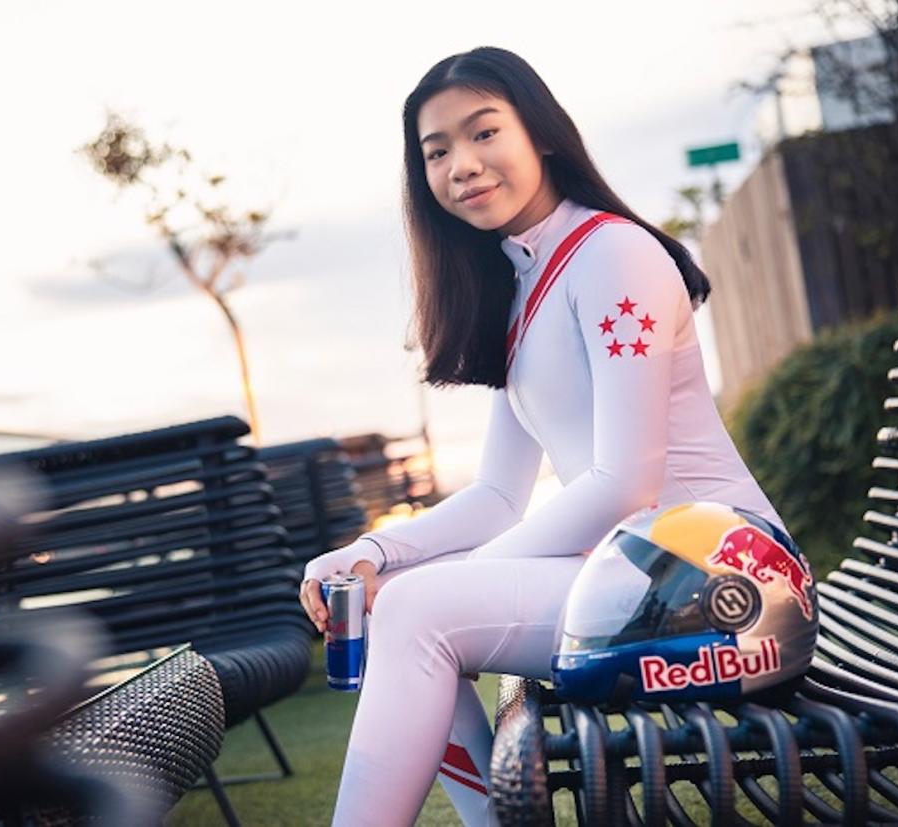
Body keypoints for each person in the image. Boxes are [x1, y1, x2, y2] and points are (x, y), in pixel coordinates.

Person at [297, 46, 789, 827]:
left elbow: (625, 484)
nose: (463, 164)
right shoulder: (529, 286)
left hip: (731, 586)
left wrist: (431, 583)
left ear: (543, 135)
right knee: (413, 608)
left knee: (419, 611)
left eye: (484, 132)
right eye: (437, 151)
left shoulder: (614, 256)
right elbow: (498, 495)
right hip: (644, 581)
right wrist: (375, 553)